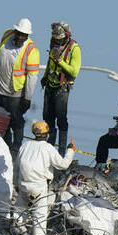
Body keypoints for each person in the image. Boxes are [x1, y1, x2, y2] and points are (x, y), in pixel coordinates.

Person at [14, 121, 75, 235]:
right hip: (39, 188)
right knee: (39, 221)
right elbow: (63, 165)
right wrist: (70, 150)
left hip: (23, 185)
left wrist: (16, 184)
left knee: (18, 216)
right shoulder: (48, 148)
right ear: (47, 135)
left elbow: (16, 167)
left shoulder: (25, 146)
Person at [0, 18, 40, 159]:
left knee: (16, 120)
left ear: (27, 36)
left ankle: (16, 147)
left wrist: (27, 98)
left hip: (15, 92)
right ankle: (4, 145)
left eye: (23, 35)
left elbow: (32, 76)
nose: (19, 37)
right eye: (18, 33)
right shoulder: (7, 35)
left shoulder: (32, 50)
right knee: (0, 119)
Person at [41, 21, 81, 156]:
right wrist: (45, 76)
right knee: (48, 117)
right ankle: (48, 150)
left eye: (60, 38)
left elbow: (74, 72)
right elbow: (49, 61)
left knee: (61, 119)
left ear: (67, 35)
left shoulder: (74, 49)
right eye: (56, 38)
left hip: (62, 88)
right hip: (50, 85)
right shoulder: (53, 43)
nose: (58, 40)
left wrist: (60, 61)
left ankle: (61, 153)